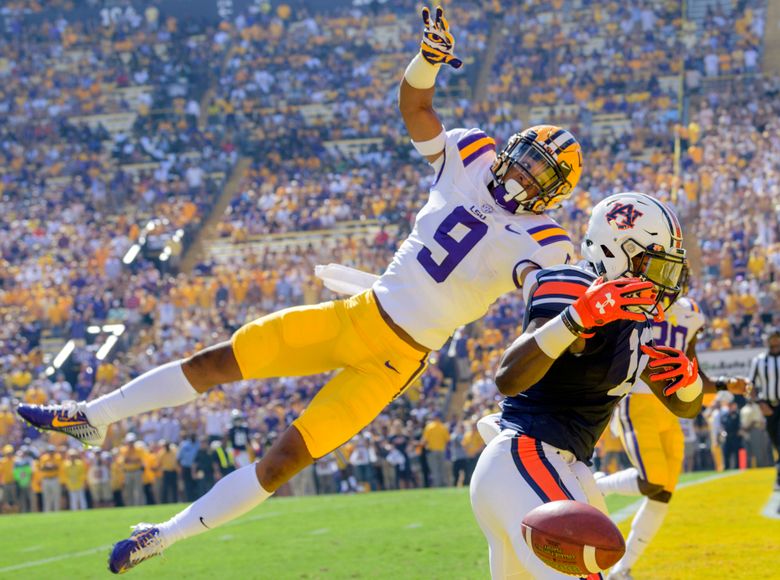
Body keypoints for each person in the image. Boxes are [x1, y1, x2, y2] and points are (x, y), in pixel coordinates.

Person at [17, 6, 582, 573]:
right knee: (216, 361)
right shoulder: (470, 153)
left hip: (394, 361)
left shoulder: (545, 241)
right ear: (511, 149)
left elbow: (545, 299)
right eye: (528, 162)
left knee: (283, 461)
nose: (526, 177)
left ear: (554, 194)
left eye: (542, 177)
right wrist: (426, 61)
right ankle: (95, 414)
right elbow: (416, 106)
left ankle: (162, 535)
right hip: (356, 314)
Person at [470, 192, 702, 580]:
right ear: (616, 253)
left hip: (561, 466)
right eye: (654, 264)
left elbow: (683, 405)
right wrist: (578, 317)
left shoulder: (634, 321)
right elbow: (509, 377)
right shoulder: (574, 285)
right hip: (526, 458)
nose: (665, 279)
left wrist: (690, 382)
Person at [595, 278, 749, 580]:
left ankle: (622, 570)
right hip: (638, 403)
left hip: (670, 411)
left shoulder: (690, 313)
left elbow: (692, 372)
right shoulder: (635, 303)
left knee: (663, 493)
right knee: (652, 481)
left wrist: (722, 384)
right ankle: (597, 485)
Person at [748, 329, 780, 490]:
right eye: (771, 339)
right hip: (768, 406)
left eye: (777, 338)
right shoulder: (759, 361)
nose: (774, 342)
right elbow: (750, 385)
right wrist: (760, 402)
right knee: (775, 441)